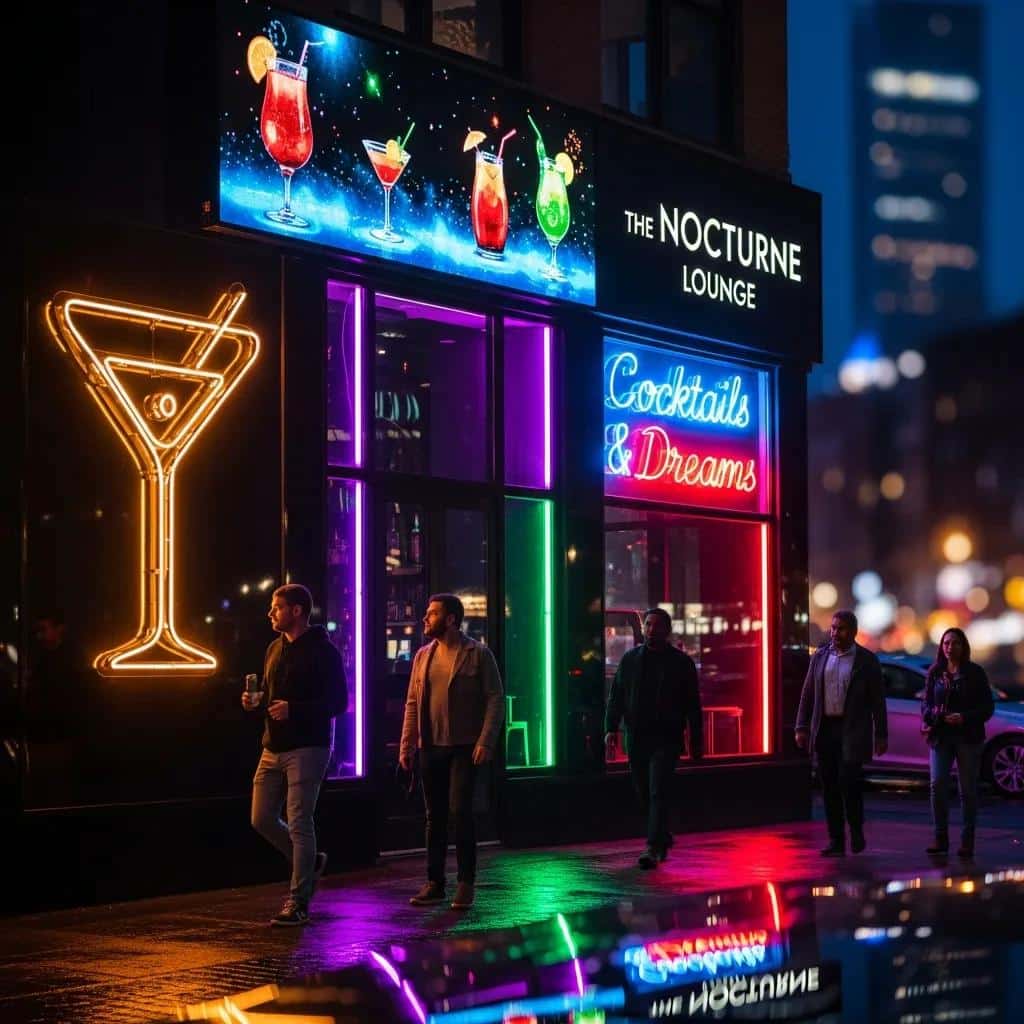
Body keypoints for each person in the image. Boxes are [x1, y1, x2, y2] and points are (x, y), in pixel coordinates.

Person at [243, 584, 347, 926]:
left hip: (308, 746)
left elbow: (339, 703)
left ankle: (298, 902)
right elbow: (271, 699)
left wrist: (295, 710)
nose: (271, 613)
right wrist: (255, 705)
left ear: (297, 611)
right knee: (260, 818)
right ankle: (310, 861)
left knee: (300, 820)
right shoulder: (273, 648)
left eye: (277, 607)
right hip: (272, 746)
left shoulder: (323, 652)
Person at [399, 594, 504, 910]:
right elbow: (413, 702)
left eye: (431, 614)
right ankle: (434, 883)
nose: (425, 619)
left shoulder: (478, 654)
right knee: (435, 816)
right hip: (431, 746)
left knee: (460, 811)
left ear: (451, 619)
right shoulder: (422, 656)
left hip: (464, 747)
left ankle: (465, 883)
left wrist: (485, 741)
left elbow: (495, 699)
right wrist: (407, 744)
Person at [604, 607, 703, 869]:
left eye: (657, 625)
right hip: (637, 736)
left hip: (667, 737)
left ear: (667, 630)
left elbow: (693, 705)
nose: (651, 630)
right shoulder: (631, 659)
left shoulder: (681, 663)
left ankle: (653, 846)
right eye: (648, 625)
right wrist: (610, 728)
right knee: (643, 792)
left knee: (658, 790)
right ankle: (661, 834)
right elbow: (617, 696)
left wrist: (696, 743)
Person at [795, 609, 887, 856]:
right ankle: (836, 839)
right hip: (825, 728)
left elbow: (878, 700)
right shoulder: (821, 657)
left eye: (841, 628)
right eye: (833, 628)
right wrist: (801, 727)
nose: (835, 633)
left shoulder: (866, 661)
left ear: (853, 632)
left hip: (852, 729)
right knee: (829, 786)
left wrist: (881, 734)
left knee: (850, 783)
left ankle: (855, 830)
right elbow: (808, 693)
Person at [921, 627, 994, 859]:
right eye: (946, 643)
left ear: (964, 646)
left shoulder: (975, 673)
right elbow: (925, 704)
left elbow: (987, 708)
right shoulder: (935, 672)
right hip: (941, 736)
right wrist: (933, 716)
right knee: (937, 784)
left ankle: (967, 841)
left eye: (955, 643)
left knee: (967, 790)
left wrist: (964, 717)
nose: (950, 647)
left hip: (968, 737)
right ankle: (940, 838)